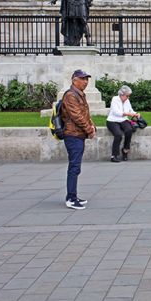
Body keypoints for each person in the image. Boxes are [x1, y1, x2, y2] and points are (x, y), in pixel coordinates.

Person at [62, 69, 97, 210]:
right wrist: (89, 129)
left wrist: (92, 125)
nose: (86, 82)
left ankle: (73, 195)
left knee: (76, 167)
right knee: (74, 166)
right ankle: (70, 198)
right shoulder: (71, 95)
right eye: (82, 79)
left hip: (78, 135)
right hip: (72, 135)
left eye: (87, 79)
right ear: (74, 80)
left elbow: (85, 114)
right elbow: (77, 116)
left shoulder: (80, 95)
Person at [106, 85, 140, 162]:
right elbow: (116, 112)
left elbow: (130, 110)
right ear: (121, 94)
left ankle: (125, 150)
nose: (128, 98)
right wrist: (128, 114)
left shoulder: (127, 101)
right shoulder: (115, 99)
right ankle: (114, 155)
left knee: (129, 130)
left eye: (128, 96)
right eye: (127, 96)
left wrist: (136, 113)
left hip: (123, 120)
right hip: (112, 120)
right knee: (118, 135)